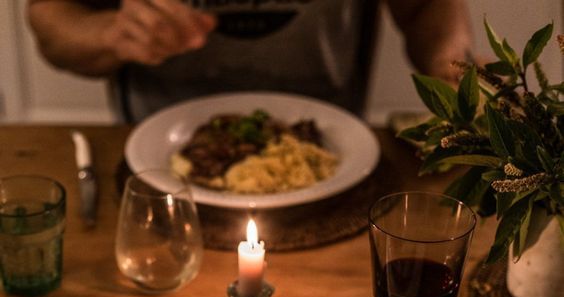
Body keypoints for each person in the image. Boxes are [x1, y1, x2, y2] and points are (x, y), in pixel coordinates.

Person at [26, 0, 474, 123]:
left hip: (332, 150)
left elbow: (425, 7)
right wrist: (113, 33)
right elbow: (50, 19)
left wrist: (452, 72)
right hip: (153, 154)